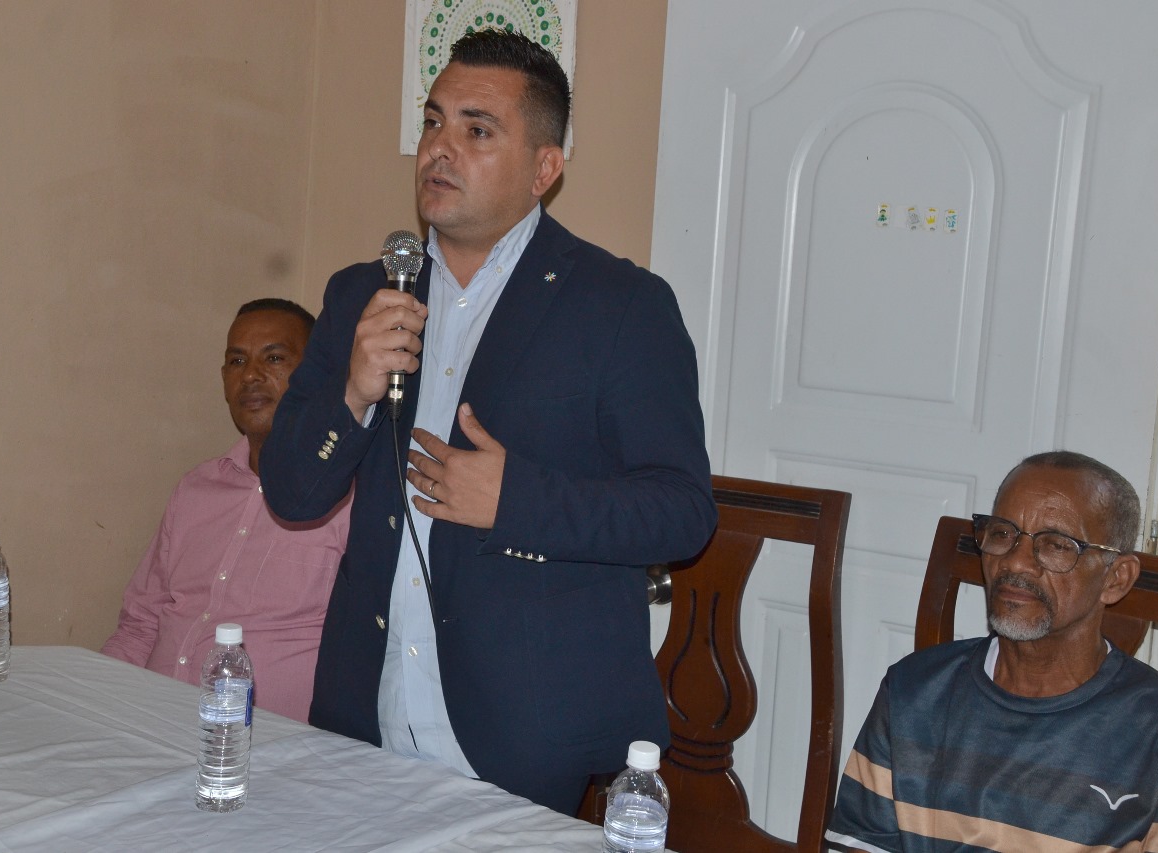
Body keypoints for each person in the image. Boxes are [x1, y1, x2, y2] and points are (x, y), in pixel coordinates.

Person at [258, 29, 716, 813]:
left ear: (544, 168)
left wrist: (516, 499)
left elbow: (681, 512)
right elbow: (292, 493)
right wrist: (353, 393)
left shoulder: (620, 307)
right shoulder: (362, 295)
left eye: (477, 130)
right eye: (433, 121)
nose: (441, 148)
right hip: (362, 717)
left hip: (521, 735)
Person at [827, 451, 1158, 851]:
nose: (1016, 562)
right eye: (1002, 534)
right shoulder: (913, 692)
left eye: (1056, 545)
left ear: (1115, 579)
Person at [103, 298, 351, 722]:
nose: (250, 375)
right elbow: (139, 625)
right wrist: (92, 700)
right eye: (237, 361)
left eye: (274, 358)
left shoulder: (348, 499)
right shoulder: (196, 489)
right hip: (151, 722)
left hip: (266, 743)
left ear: (319, 373)